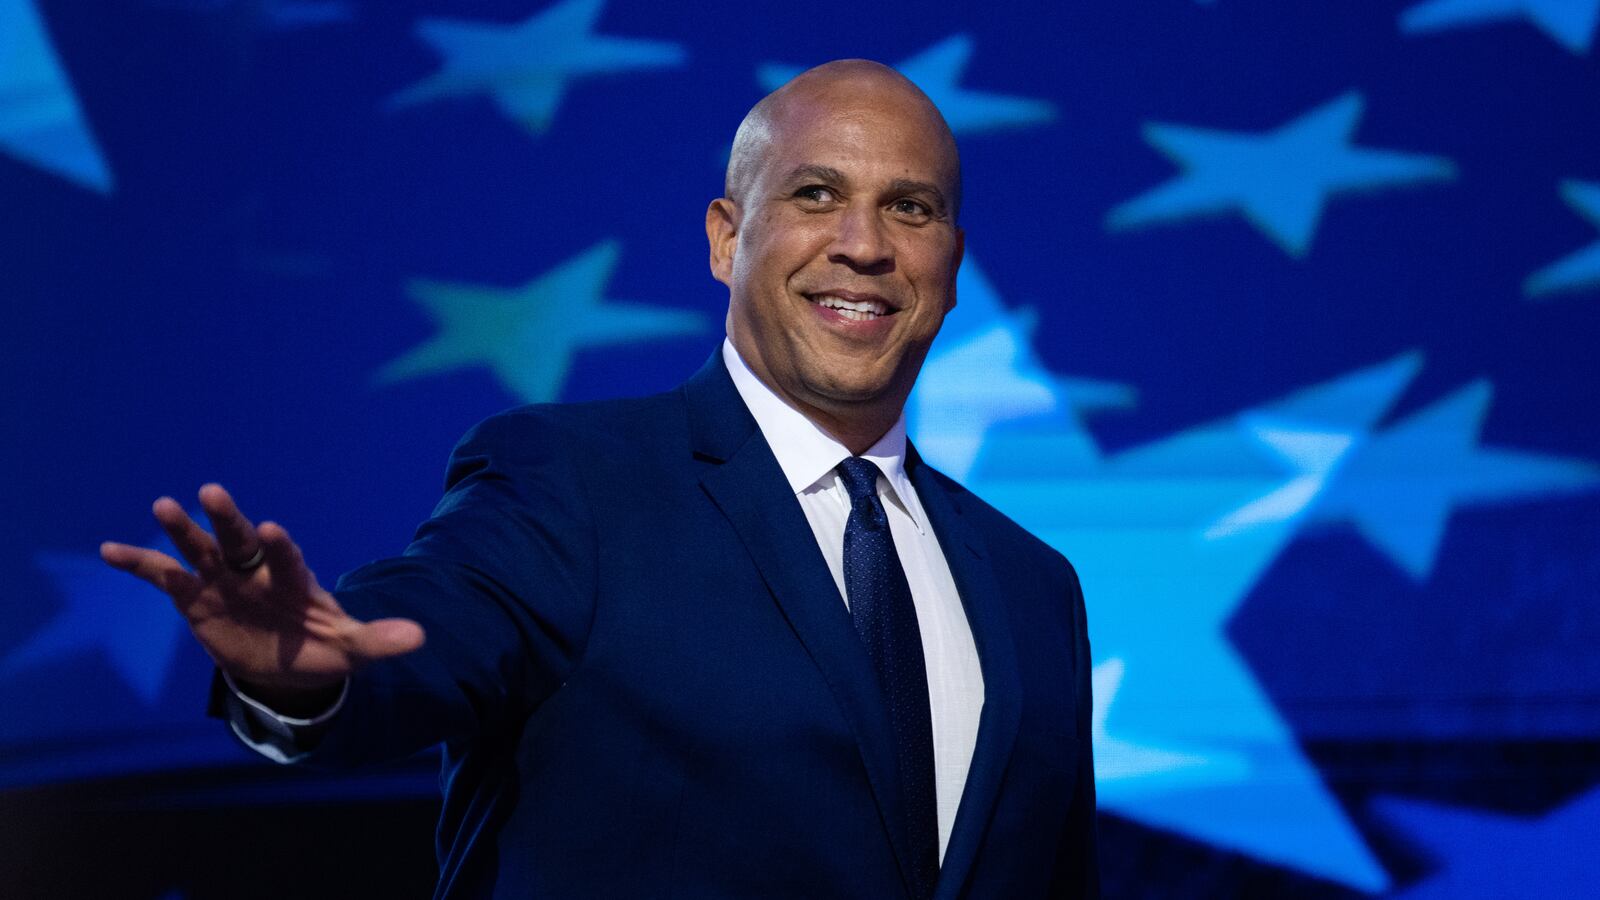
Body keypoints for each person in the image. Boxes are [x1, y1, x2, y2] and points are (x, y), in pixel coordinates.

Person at [100, 60, 1099, 899]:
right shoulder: (572, 484)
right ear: (724, 238)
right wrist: (307, 675)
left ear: (952, 261)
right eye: (815, 194)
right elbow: (436, 624)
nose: (865, 244)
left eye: (910, 208)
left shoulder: (1030, 585)